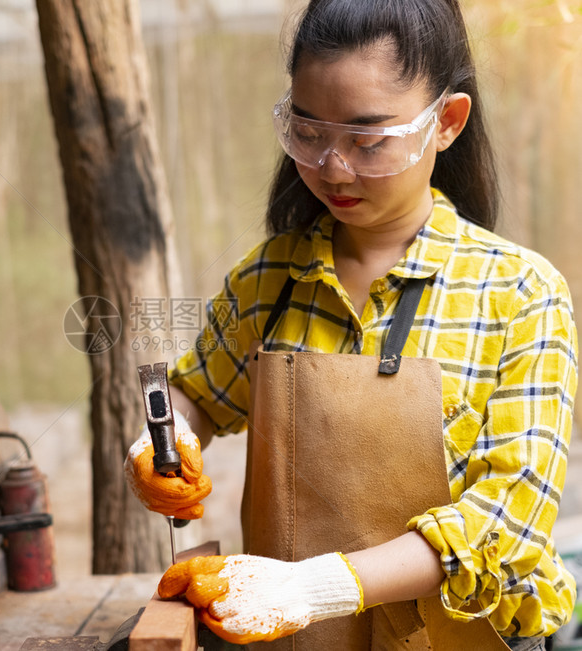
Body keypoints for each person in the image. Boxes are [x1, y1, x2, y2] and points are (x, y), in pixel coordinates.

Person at [124, 1, 578, 650]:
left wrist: (312, 588)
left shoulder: (520, 294)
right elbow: (197, 393)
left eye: (368, 141)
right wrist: (161, 443)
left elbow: (508, 521)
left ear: (445, 123)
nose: (333, 168)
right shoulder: (268, 281)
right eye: (310, 133)